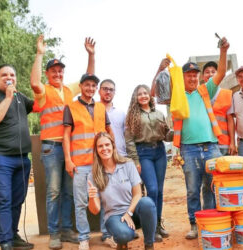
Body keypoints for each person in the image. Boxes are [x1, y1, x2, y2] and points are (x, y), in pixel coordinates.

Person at [153, 38, 229, 239]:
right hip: (189, 148)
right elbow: (155, 93)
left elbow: (221, 73)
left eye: (196, 75)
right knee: (192, 190)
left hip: (211, 147)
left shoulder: (205, 90)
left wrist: (223, 51)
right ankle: (194, 225)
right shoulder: (176, 94)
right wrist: (159, 69)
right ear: (182, 77)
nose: (193, 78)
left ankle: (210, 221)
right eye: (189, 75)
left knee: (212, 187)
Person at [30, 35, 95, 249]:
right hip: (51, 148)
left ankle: (67, 230)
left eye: (60, 71)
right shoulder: (44, 92)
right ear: (48, 74)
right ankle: (54, 233)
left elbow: (89, 78)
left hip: (70, 149)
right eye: (53, 71)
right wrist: (40, 54)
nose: (57, 73)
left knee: (68, 191)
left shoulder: (69, 90)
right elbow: (33, 82)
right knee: (54, 191)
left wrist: (91, 55)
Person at [0, 64, 34, 250]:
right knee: (3, 198)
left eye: (12, 74)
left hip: (21, 157)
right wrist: (8, 97)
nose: (8, 77)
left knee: (18, 198)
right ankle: (5, 241)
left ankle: (13, 235)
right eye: (4, 75)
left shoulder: (20, 97)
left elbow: (40, 104)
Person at [63, 73, 115, 250]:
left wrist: (112, 155)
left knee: (106, 199)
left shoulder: (100, 107)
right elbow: (66, 136)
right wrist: (68, 160)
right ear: (81, 86)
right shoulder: (71, 107)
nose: (90, 88)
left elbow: (108, 131)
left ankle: (107, 234)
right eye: (87, 85)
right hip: (80, 163)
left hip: (100, 163)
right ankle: (83, 238)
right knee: (81, 203)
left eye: (93, 86)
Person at [88, 132, 157, 250]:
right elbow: (95, 210)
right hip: (113, 216)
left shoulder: (127, 164)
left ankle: (149, 245)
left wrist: (128, 213)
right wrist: (92, 197)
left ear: (113, 146)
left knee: (147, 203)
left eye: (107, 145)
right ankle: (122, 242)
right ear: (96, 150)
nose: (104, 148)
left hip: (133, 211)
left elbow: (138, 194)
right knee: (124, 235)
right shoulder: (93, 175)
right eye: (100, 146)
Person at [125, 84, 172, 242]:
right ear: (136, 98)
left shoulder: (158, 113)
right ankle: (150, 228)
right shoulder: (132, 116)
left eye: (146, 93)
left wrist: (174, 130)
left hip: (160, 151)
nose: (144, 96)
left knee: (159, 190)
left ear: (150, 96)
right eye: (140, 94)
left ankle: (158, 224)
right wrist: (135, 161)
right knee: (151, 189)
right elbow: (130, 141)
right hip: (143, 153)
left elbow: (166, 136)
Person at [202, 61, 236, 155]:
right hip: (205, 144)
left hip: (223, 144)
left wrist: (232, 143)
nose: (210, 74)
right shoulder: (199, 94)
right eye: (207, 72)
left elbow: (230, 121)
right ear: (203, 76)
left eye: (213, 71)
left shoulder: (227, 94)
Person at [99, 79, 127, 156]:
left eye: (111, 90)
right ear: (99, 91)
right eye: (105, 89)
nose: (108, 92)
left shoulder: (121, 113)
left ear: (114, 92)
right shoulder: (92, 110)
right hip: (101, 156)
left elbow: (128, 136)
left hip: (121, 155)